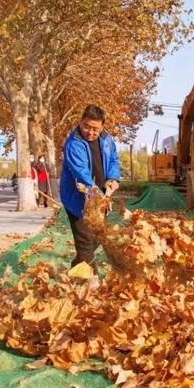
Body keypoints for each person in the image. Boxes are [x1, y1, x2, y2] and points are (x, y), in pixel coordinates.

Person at [60, 105, 120, 269]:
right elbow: (83, 176)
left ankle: (75, 270)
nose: (90, 132)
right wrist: (100, 197)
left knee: (96, 238)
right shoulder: (74, 143)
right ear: (80, 121)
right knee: (86, 243)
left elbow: (114, 159)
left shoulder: (107, 139)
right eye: (86, 126)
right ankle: (90, 286)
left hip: (100, 200)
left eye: (95, 129)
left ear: (102, 126)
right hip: (78, 201)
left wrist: (114, 178)